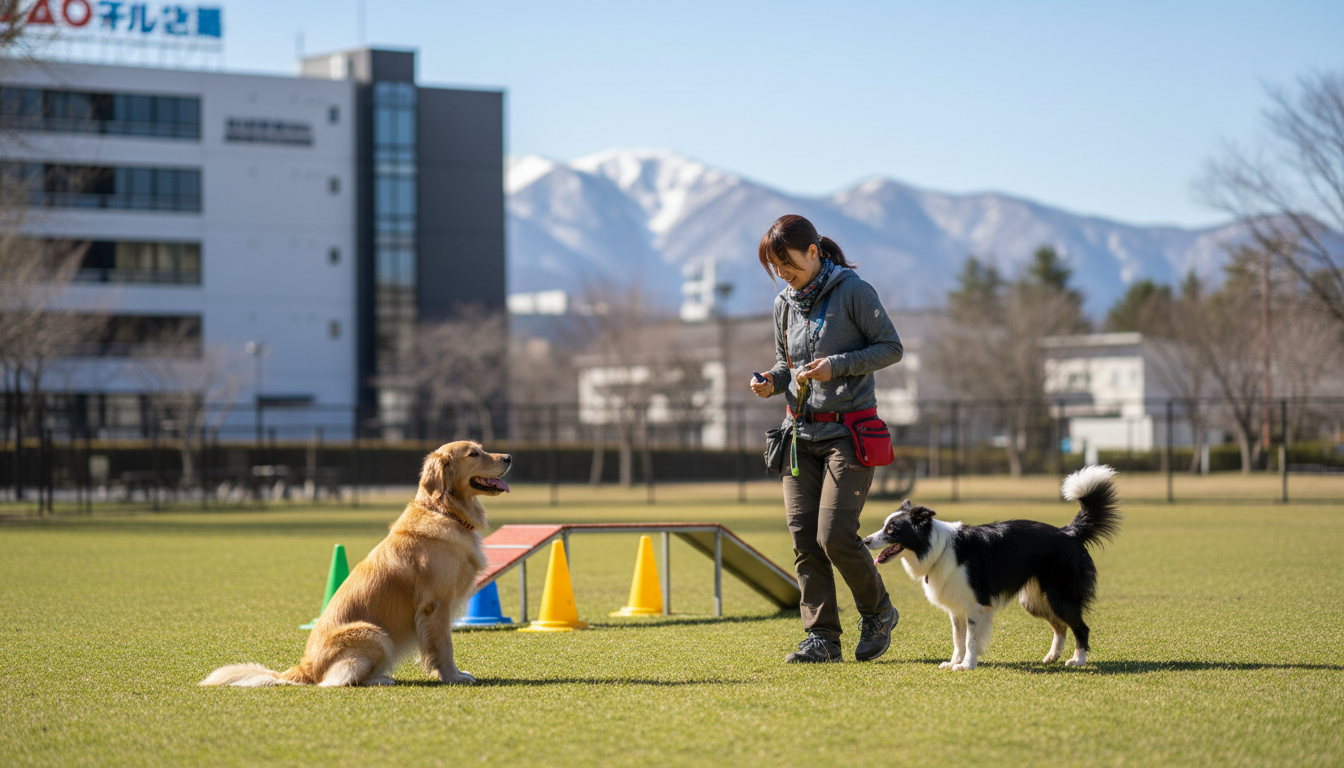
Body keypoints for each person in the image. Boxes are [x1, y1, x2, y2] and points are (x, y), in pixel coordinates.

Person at [749, 214, 904, 663]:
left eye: (789, 264)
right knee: (802, 537)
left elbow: (891, 348)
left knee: (834, 534)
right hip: (799, 435)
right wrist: (769, 382)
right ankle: (822, 638)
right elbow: (785, 366)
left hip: (848, 432)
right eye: (775, 267)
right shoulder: (784, 304)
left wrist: (837, 365)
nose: (783, 274)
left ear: (813, 252)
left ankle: (878, 612)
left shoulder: (854, 292)